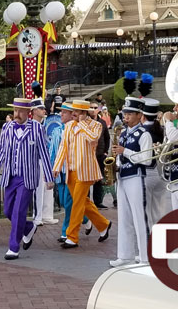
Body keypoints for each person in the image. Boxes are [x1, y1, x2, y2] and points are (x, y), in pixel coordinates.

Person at [0, 98, 53, 259]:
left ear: (28, 113)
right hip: (11, 175)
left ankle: (13, 246)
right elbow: (2, 150)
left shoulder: (37, 128)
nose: (16, 114)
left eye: (20, 111)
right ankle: (28, 228)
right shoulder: (7, 127)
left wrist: (49, 176)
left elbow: (43, 153)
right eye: (15, 111)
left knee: (18, 211)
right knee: (8, 211)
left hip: (27, 177)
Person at [52, 100, 111, 249]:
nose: (73, 114)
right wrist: (57, 166)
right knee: (83, 202)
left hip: (85, 171)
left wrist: (82, 123)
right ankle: (103, 225)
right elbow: (63, 147)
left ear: (84, 113)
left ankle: (71, 237)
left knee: (77, 203)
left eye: (76, 111)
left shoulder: (96, 125)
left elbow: (92, 138)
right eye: (73, 111)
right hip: (71, 170)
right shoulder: (69, 126)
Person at [109, 97, 153, 267]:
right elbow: (121, 155)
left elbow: (147, 159)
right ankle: (125, 255)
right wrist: (116, 164)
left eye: (129, 113)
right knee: (125, 217)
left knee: (140, 217)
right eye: (125, 113)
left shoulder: (144, 134)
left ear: (139, 114)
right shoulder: (124, 133)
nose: (125, 116)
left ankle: (145, 257)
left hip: (136, 177)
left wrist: (124, 151)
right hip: (123, 177)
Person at [141, 98, 171, 226]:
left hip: (146, 173)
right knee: (159, 209)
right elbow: (174, 131)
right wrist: (173, 118)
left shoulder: (141, 131)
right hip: (160, 173)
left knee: (146, 211)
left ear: (142, 115)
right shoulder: (163, 128)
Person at [30, 87, 57, 226]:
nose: (44, 111)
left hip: (44, 160)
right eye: (40, 109)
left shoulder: (42, 125)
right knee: (37, 190)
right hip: (34, 161)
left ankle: (44, 215)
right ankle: (37, 216)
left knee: (45, 189)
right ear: (34, 111)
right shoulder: (31, 126)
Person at [89, 101, 110, 209]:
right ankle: (86, 202)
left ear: (99, 109)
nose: (93, 109)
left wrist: (105, 151)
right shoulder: (85, 122)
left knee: (99, 179)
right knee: (87, 180)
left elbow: (107, 137)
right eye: (91, 107)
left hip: (100, 154)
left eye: (95, 107)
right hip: (88, 156)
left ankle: (98, 202)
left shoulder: (102, 122)